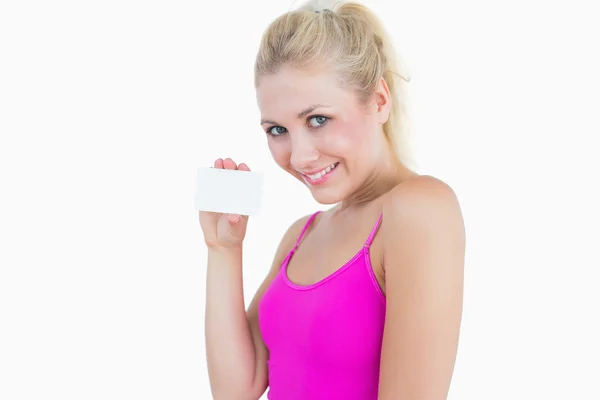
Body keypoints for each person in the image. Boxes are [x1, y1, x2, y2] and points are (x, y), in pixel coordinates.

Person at [199, 1, 466, 399]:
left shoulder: (419, 209)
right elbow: (238, 388)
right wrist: (222, 249)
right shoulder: (300, 235)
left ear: (379, 100)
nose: (299, 155)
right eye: (277, 129)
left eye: (318, 120)